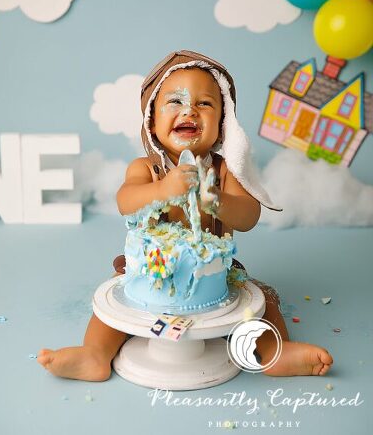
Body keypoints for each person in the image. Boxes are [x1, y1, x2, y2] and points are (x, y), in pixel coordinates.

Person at [38, 50, 333, 381]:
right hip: (151, 273)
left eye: (205, 103)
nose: (190, 109)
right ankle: (94, 354)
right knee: (111, 310)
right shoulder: (147, 169)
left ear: (223, 123)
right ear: (151, 120)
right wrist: (163, 190)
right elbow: (126, 200)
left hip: (214, 277)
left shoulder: (223, 172)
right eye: (175, 102)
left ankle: (274, 353)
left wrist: (216, 201)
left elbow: (248, 216)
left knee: (260, 304)